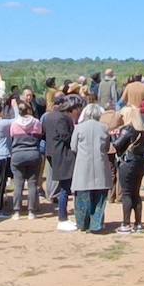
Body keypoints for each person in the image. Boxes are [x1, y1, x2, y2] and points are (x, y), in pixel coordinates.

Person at [71, 103, 113, 233]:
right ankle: (96, 224)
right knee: (100, 197)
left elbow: (73, 147)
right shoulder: (104, 128)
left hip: (83, 166)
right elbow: (107, 147)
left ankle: (83, 224)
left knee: (82, 197)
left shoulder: (79, 128)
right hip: (100, 165)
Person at [111, 105, 144, 233]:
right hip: (141, 161)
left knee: (127, 193)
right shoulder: (142, 129)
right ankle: (138, 223)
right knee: (136, 193)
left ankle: (126, 224)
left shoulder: (128, 129)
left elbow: (117, 145)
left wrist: (113, 136)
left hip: (129, 162)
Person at [43, 95, 79, 231]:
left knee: (62, 187)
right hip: (63, 154)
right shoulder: (63, 118)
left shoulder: (49, 116)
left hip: (52, 153)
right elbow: (64, 136)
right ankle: (62, 218)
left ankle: (63, 217)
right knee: (64, 188)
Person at [9, 99, 45, 220]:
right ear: (29, 110)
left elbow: (12, 137)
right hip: (33, 154)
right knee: (32, 183)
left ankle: (17, 212)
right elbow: (39, 136)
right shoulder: (36, 122)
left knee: (18, 184)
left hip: (17, 155)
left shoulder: (14, 123)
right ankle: (31, 211)